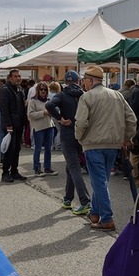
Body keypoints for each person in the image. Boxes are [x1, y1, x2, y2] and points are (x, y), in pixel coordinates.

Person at [74, 64, 137, 231]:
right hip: (113, 145)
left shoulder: (87, 97)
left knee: (99, 182)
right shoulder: (117, 95)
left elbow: (80, 122)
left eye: (84, 81)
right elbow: (132, 119)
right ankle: (95, 213)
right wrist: (126, 138)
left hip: (93, 144)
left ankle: (107, 218)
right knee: (101, 181)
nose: (83, 84)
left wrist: (79, 137)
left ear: (89, 81)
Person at [47, 70, 91, 216]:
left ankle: (85, 201)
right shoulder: (83, 95)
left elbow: (49, 105)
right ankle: (67, 198)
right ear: (78, 81)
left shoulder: (62, 95)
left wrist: (60, 118)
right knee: (70, 166)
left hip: (67, 134)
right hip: (81, 134)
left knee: (74, 167)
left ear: (65, 82)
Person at [0, 69, 28, 183]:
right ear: (10, 78)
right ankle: (5, 172)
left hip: (19, 124)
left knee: (17, 148)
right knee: (9, 149)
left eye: (19, 76)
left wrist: (25, 122)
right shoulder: (5, 90)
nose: (18, 78)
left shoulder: (20, 90)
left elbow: (22, 108)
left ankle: (14, 171)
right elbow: (4, 109)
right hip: (10, 125)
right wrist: (8, 125)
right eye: (15, 76)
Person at [28, 81, 57, 176]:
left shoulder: (49, 100)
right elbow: (30, 115)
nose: (43, 91)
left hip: (49, 126)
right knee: (38, 148)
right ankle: (37, 168)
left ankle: (47, 168)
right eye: (41, 89)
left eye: (45, 89)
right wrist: (43, 113)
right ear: (38, 90)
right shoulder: (33, 101)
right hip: (39, 128)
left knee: (49, 148)